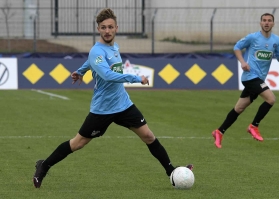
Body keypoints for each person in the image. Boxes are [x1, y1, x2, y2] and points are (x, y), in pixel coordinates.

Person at [32, 8, 192, 188]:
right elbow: (107, 74)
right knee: (77, 143)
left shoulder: (114, 47)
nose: (107, 31)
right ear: (98, 29)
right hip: (102, 109)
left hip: (123, 104)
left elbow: (91, 63)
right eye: (103, 27)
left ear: (116, 28)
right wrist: (135, 78)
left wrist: (81, 71)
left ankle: (171, 172)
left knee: (148, 135)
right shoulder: (96, 51)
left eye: (110, 27)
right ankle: (43, 165)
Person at [212, 13, 279, 148]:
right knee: (271, 99)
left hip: (259, 79)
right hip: (250, 76)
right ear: (260, 23)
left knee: (239, 108)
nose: (266, 23)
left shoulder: (276, 40)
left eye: (269, 21)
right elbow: (236, 47)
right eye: (264, 20)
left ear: (273, 23)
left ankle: (219, 131)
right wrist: (243, 62)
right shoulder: (253, 37)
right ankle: (253, 126)